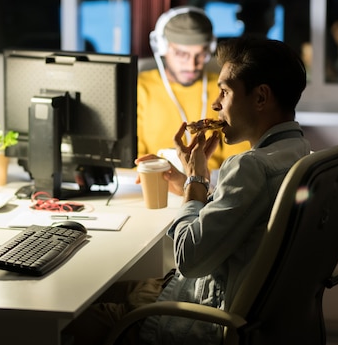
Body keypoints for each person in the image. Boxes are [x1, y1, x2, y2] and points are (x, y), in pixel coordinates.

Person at [62, 36, 311, 345]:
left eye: (225, 91)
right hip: (245, 308)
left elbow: (190, 259)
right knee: (94, 284)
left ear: (261, 98)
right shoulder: (299, 152)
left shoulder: (249, 167)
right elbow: (240, 220)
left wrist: (196, 179)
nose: (216, 104)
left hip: (199, 316)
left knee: (65, 311)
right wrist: (187, 183)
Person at [137, 6, 249, 172]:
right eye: (182, 54)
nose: (192, 64)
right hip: (153, 182)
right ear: (161, 47)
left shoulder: (227, 89)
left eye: (201, 54)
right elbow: (132, 160)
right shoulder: (140, 88)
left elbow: (239, 161)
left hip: (212, 188)